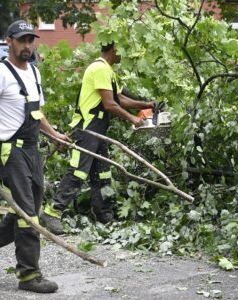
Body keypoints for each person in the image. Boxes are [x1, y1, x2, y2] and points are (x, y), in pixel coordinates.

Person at [0, 20, 69, 293]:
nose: (27, 45)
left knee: (26, 212)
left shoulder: (34, 72)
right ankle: (29, 275)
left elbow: (37, 113)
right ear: (9, 41)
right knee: (27, 215)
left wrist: (55, 134)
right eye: (21, 40)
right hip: (10, 152)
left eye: (30, 40)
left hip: (31, 150)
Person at [40, 42, 155, 235]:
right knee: (79, 171)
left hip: (99, 129)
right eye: (123, 49)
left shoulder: (107, 71)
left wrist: (147, 104)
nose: (124, 54)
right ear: (114, 48)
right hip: (88, 128)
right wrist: (133, 119)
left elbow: (121, 100)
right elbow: (110, 104)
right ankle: (53, 212)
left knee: (101, 173)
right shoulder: (99, 68)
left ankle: (103, 214)